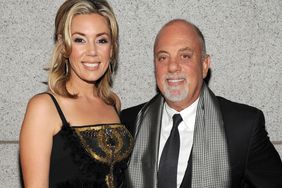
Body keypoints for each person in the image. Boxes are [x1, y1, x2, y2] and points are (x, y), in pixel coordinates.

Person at [121, 19, 282, 188]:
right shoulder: (129, 124)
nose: (173, 67)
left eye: (185, 56)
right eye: (163, 57)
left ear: (205, 65)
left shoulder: (243, 127)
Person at [19, 0, 133, 187]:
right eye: (80, 39)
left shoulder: (113, 103)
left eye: (101, 40)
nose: (92, 52)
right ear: (64, 46)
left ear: (111, 49)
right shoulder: (44, 108)